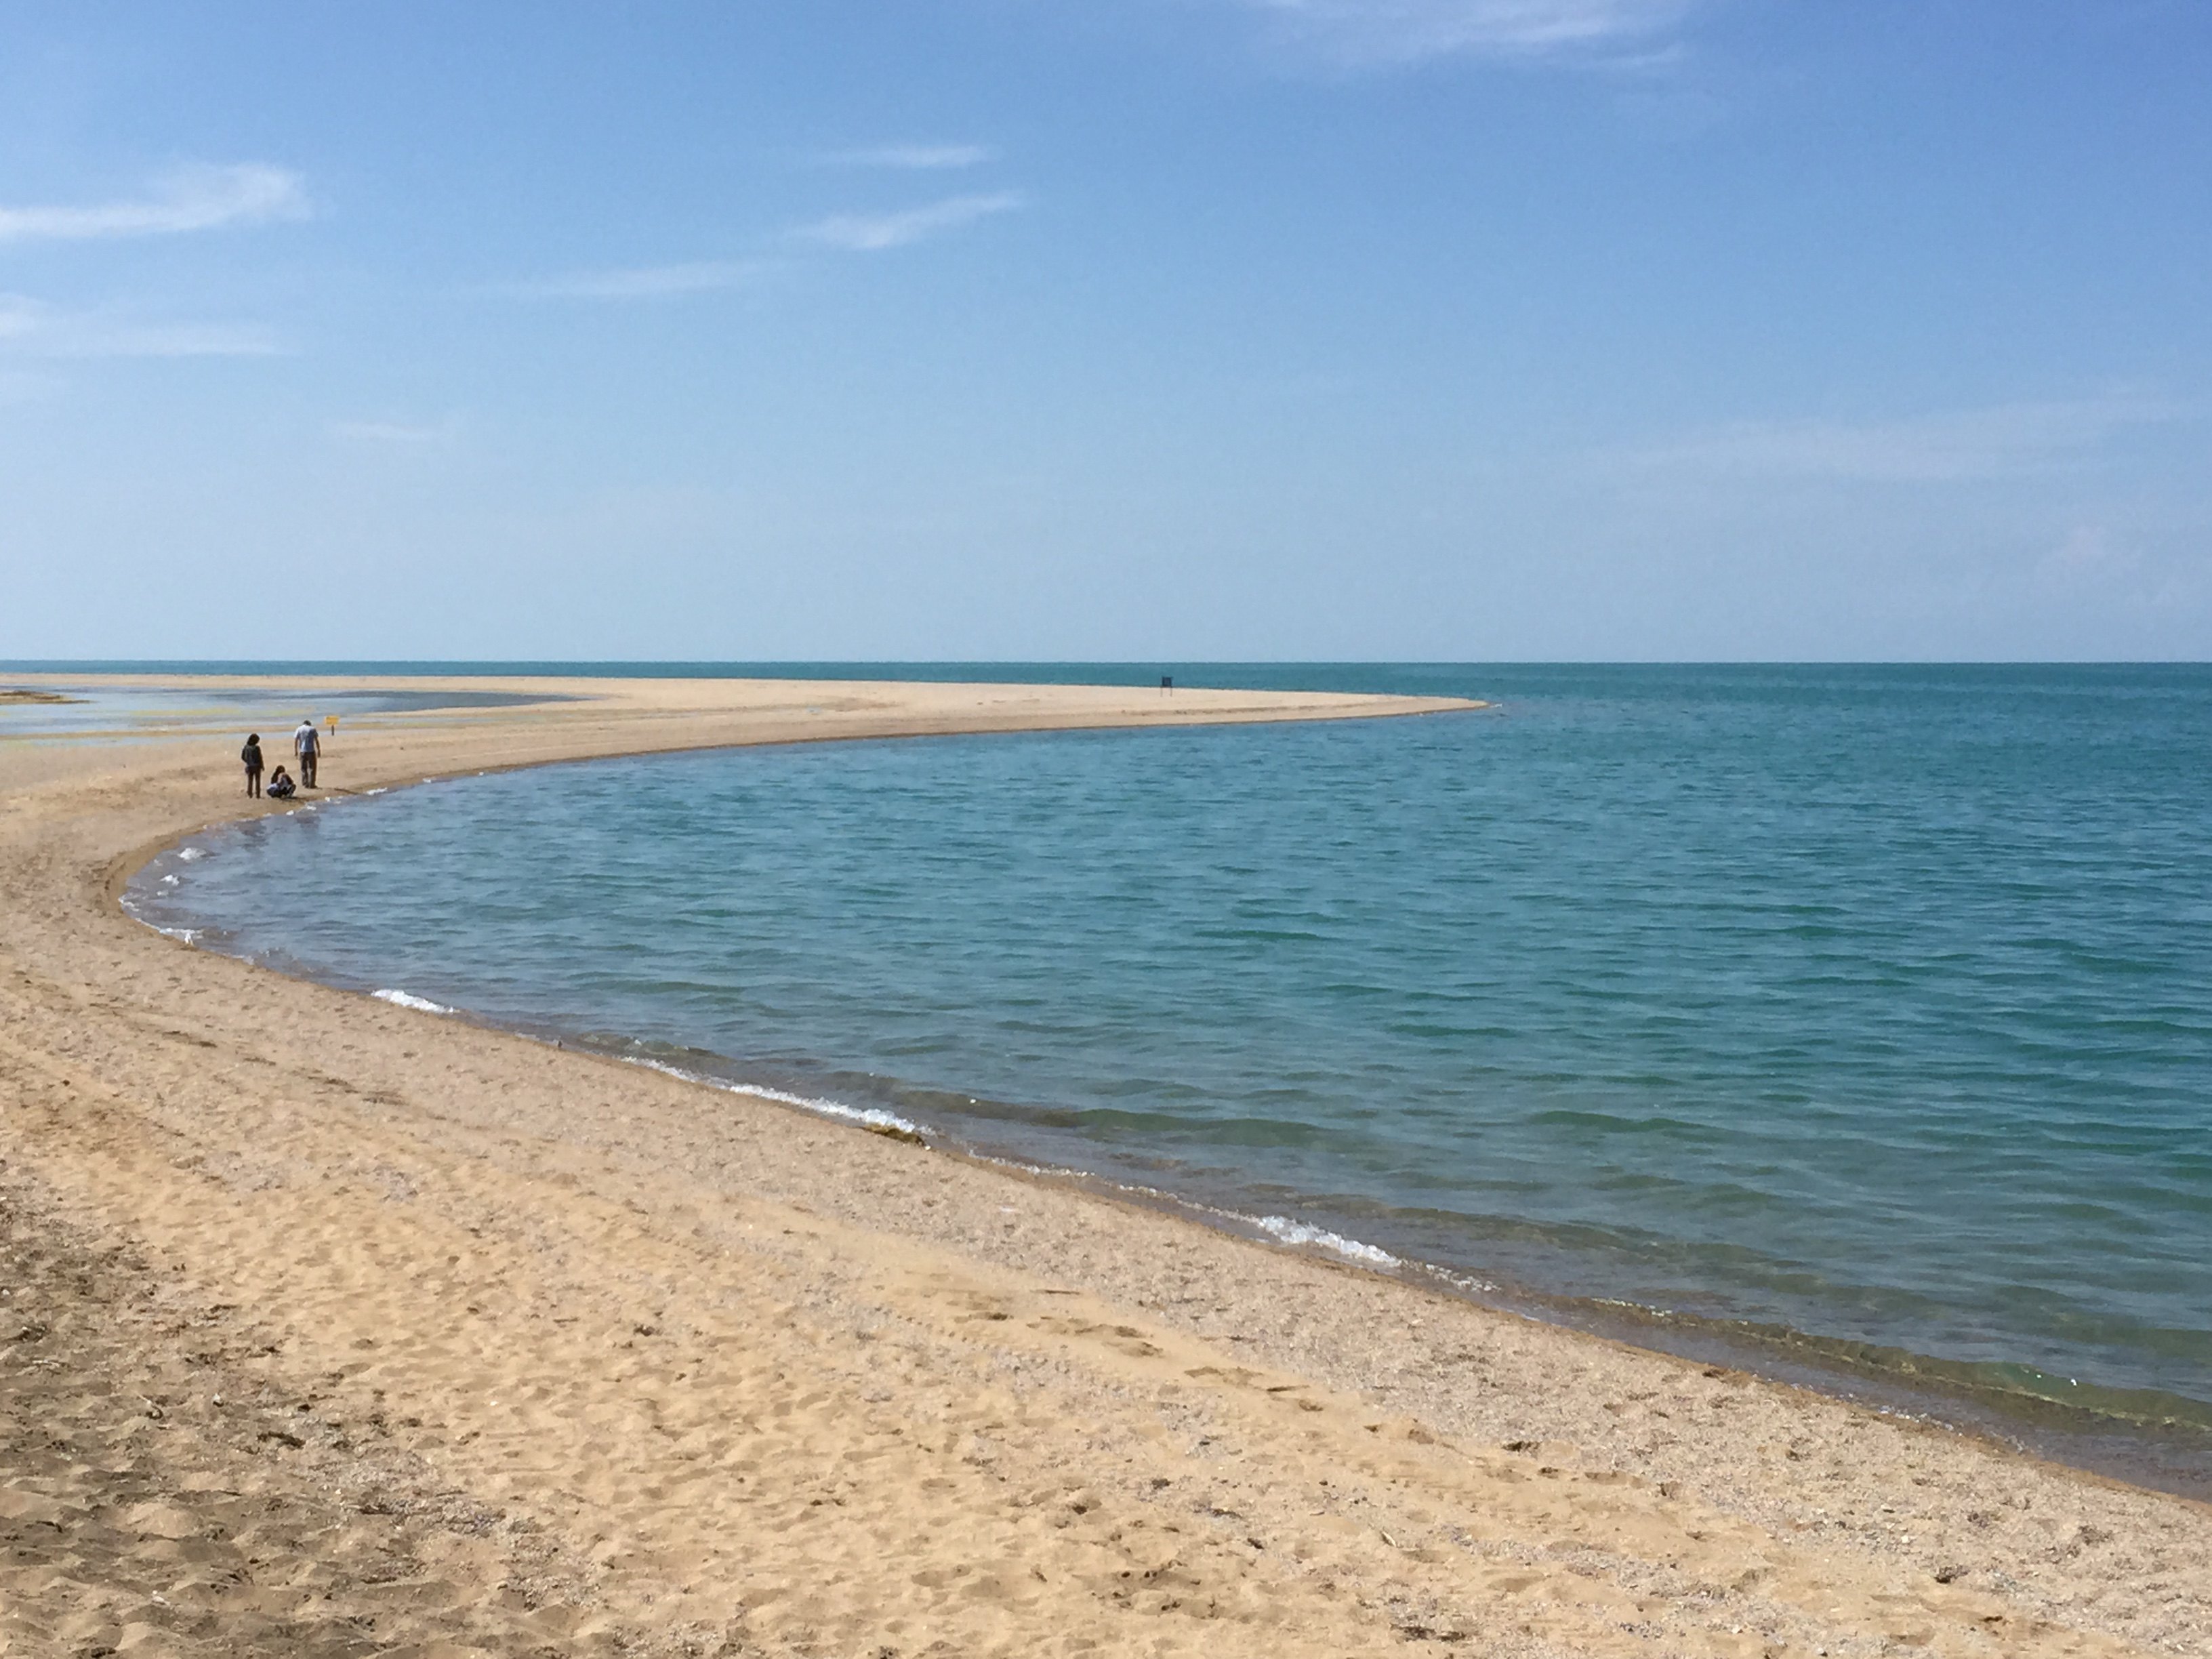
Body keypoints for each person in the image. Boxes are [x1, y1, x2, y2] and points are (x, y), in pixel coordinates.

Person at [293, 716, 321, 788]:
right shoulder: (312, 729)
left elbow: (296, 740)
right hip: (311, 750)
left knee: (303, 768)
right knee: (312, 768)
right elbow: (316, 740)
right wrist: (319, 750)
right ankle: (311, 784)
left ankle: (305, 783)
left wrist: (296, 751)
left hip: (302, 751)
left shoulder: (299, 729)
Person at [241, 733, 264, 798]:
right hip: (256, 766)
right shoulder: (256, 748)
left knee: (250, 780)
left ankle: (250, 793)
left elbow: (242, 757)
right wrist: (262, 765)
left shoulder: (246, 747)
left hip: (249, 766)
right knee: (258, 780)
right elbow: (260, 757)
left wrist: (247, 761)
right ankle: (258, 794)